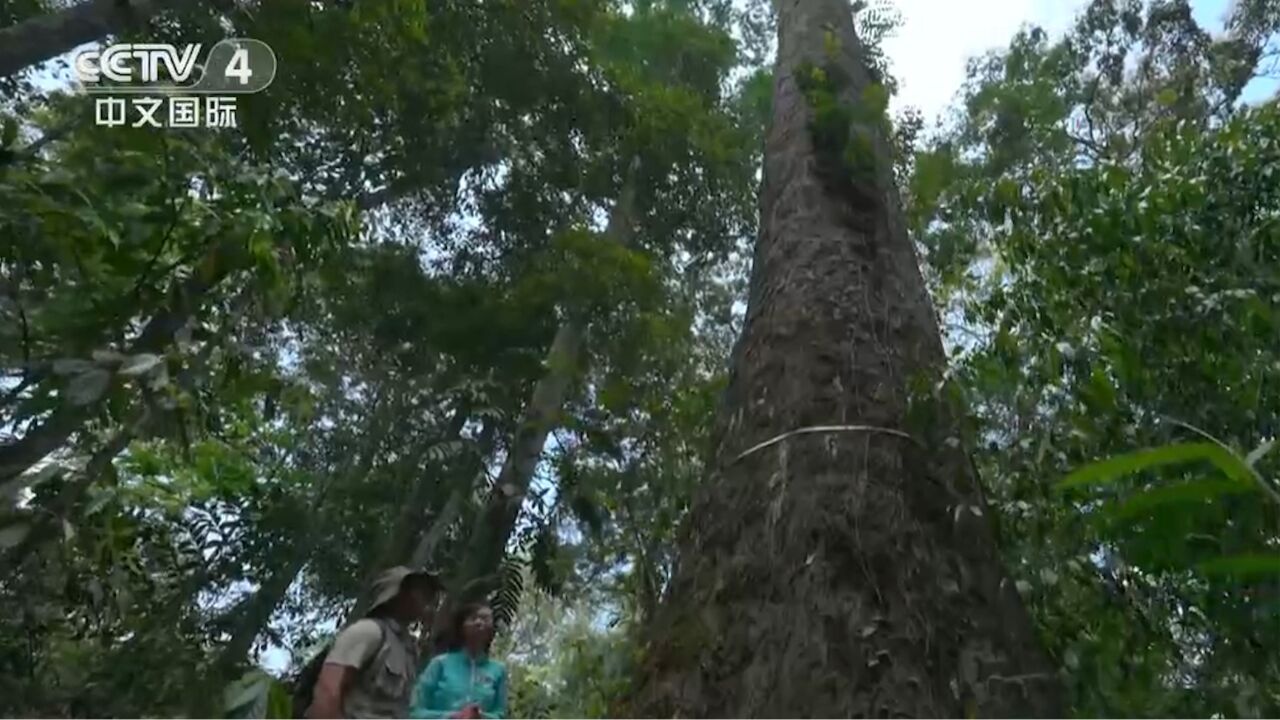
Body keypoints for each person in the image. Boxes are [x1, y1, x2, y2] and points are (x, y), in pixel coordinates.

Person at [304, 566, 442, 719]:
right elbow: (327, 691)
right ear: (398, 594)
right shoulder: (369, 632)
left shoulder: (409, 650)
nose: (428, 598)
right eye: (420, 590)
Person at [410, 602, 508, 719]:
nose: (479, 622)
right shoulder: (440, 664)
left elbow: (500, 714)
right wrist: (453, 717)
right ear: (461, 626)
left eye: (485, 619)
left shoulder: (498, 670)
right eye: (473, 618)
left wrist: (481, 717)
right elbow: (415, 711)